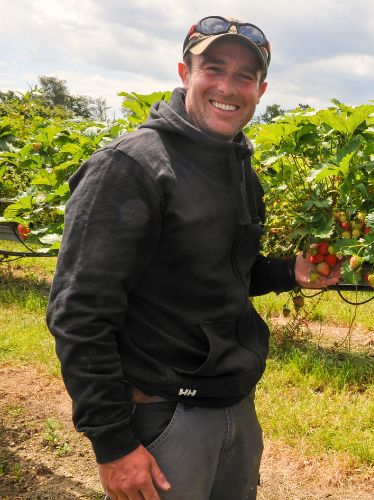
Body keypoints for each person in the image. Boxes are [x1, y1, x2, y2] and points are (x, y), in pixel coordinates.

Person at [46, 16, 340, 500]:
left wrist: (290, 271)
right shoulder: (131, 167)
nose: (228, 86)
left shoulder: (239, 166)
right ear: (185, 73)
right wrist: (113, 443)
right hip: (162, 414)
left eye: (244, 76)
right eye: (214, 68)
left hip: (233, 405)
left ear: (261, 89)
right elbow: (78, 313)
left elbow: (228, 271)